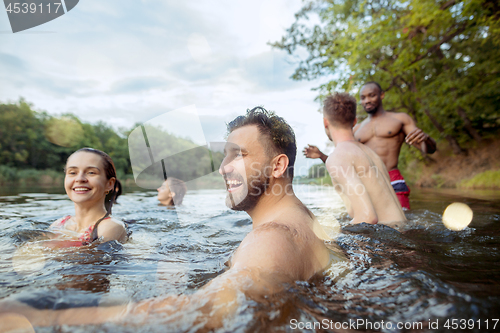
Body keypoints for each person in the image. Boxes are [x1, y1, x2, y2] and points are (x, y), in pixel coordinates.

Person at [0, 108, 335, 329]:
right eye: (224, 156)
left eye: (239, 155)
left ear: (277, 167)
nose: (222, 168)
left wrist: (49, 315)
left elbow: (204, 311)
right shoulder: (303, 221)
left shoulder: (274, 237)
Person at [303, 81, 436, 210]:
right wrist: (321, 156)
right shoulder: (356, 129)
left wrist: (426, 139)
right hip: (369, 182)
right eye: (363, 97)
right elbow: (343, 163)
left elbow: (428, 150)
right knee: (371, 227)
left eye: (371, 95)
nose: (367, 100)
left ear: (381, 95)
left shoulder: (400, 119)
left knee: (401, 227)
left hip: (392, 178)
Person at [318, 92, 407, 227]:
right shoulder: (371, 153)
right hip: (404, 230)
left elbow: (367, 217)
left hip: (388, 244)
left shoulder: (337, 157)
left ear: (325, 122)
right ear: (354, 121)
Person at [47, 148, 128, 246]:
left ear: (109, 184)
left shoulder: (111, 226)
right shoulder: (59, 224)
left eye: (91, 172)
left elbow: (87, 257)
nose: (79, 179)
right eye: (72, 173)